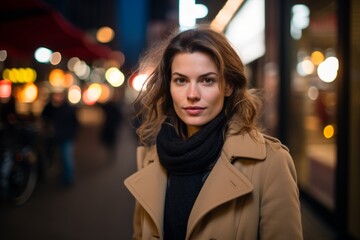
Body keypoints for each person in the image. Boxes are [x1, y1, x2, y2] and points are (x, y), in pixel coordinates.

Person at [124, 25, 303, 240]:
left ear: (228, 86)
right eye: (181, 80)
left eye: (207, 80)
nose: (192, 94)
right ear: (169, 87)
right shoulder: (152, 158)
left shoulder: (270, 163)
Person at [41, 90, 78, 186]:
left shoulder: (68, 108)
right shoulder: (54, 108)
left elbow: (75, 124)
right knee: (61, 158)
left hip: (66, 137)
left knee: (66, 158)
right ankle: (65, 176)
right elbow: (45, 115)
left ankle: (68, 179)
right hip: (58, 137)